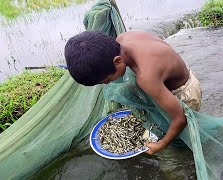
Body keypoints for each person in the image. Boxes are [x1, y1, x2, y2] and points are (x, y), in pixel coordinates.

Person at [64, 30, 202, 155]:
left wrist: (161, 144)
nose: (106, 84)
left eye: (106, 80)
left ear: (118, 61)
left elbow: (180, 118)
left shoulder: (146, 77)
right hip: (173, 75)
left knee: (181, 139)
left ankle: (185, 151)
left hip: (185, 93)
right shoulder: (123, 38)